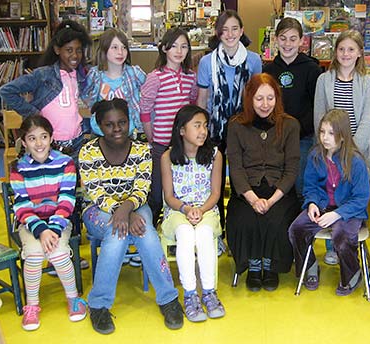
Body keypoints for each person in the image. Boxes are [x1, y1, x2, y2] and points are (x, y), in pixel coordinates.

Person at [79, 99, 183, 335]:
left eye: (122, 123)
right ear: (98, 125)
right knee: (117, 233)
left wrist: (128, 209)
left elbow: (142, 187)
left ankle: (168, 299)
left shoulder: (141, 149)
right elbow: (95, 192)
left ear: (130, 122)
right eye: (109, 124)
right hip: (99, 210)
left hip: (135, 206)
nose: (117, 129)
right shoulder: (88, 151)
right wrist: (121, 211)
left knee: (145, 234)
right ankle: (99, 304)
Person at [10, 115, 87, 331]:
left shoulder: (66, 163)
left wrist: (52, 230)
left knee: (59, 253)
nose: (39, 143)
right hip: (30, 224)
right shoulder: (18, 168)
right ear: (24, 142)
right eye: (32, 138)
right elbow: (22, 206)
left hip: (59, 222)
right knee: (34, 255)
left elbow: (67, 200)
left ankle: (73, 299)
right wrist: (41, 230)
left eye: (44, 137)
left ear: (51, 137)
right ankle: (32, 306)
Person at [226, 73, 300, 292]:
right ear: (249, 98)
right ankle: (253, 265)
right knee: (245, 219)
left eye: (270, 98)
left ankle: (270, 266)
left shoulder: (290, 125)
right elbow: (236, 167)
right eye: (259, 99)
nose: (265, 104)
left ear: (277, 98)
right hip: (247, 190)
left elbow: (292, 168)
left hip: (280, 191)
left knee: (277, 219)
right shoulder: (236, 125)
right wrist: (253, 199)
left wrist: (272, 199)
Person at [288, 109, 370, 295]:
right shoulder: (315, 155)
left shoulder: (355, 161)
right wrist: (312, 203)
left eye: (331, 133)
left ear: (343, 135)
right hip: (323, 207)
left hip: (348, 212)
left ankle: (352, 272)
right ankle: (310, 267)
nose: (325, 138)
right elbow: (311, 187)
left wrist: (337, 214)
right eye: (322, 132)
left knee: (341, 236)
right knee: (296, 229)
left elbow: (361, 198)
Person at [197, 9, 262, 236]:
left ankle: (237, 231)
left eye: (235, 28)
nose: (230, 34)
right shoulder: (207, 62)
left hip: (244, 128)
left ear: (242, 31)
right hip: (215, 129)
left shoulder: (254, 60)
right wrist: (201, 130)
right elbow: (203, 100)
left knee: (240, 179)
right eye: (225, 29)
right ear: (218, 33)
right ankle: (217, 231)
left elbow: (257, 97)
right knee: (213, 181)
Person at [314, 29, 370, 265]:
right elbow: (319, 115)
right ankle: (331, 245)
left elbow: (368, 120)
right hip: (329, 150)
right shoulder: (324, 80)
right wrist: (330, 148)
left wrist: (349, 152)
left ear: (360, 52)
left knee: (352, 196)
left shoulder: (367, 83)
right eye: (341, 49)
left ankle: (348, 242)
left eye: (351, 49)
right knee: (331, 195)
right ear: (335, 52)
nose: (346, 54)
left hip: (355, 154)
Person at [161, 105, 224, 323]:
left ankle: (209, 292)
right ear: (181, 130)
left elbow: (216, 193)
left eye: (205, 126)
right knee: (186, 234)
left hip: (207, 209)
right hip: (177, 210)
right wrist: (187, 209)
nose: (203, 131)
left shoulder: (215, 155)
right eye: (197, 125)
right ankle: (190, 294)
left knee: (205, 234)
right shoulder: (168, 156)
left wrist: (201, 210)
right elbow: (169, 196)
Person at [0, 20, 92, 160]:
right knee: (50, 180)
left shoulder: (80, 76)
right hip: (49, 145)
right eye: (69, 50)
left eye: (79, 50)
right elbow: (6, 91)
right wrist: (34, 113)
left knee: (72, 180)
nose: (75, 55)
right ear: (57, 50)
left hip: (76, 143)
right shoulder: (43, 75)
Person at [139, 28, 198, 223]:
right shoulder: (155, 77)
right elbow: (145, 111)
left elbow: (192, 105)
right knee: (157, 191)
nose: (179, 51)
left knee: (179, 188)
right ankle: (152, 225)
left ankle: (175, 224)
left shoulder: (191, 77)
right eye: (174, 46)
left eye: (184, 46)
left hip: (182, 144)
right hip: (160, 144)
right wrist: (151, 137)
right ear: (164, 48)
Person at [263, 17, 322, 197]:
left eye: (293, 39)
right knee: (275, 182)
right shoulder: (268, 70)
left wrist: (296, 129)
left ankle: (301, 221)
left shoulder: (312, 69)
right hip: (275, 137)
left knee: (300, 182)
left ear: (302, 41)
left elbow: (316, 105)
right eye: (283, 38)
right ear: (276, 39)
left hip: (302, 137)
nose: (287, 44)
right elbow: (265, 105)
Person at [82, 28, 146, 139]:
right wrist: (92, 106)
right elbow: (83, 93)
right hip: (100, 132)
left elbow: (150, 92)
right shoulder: (95, 74)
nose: (120, 52)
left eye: (124, 47)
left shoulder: (134, 73)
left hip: (127, 132)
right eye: (114, 48)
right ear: (104, 50)